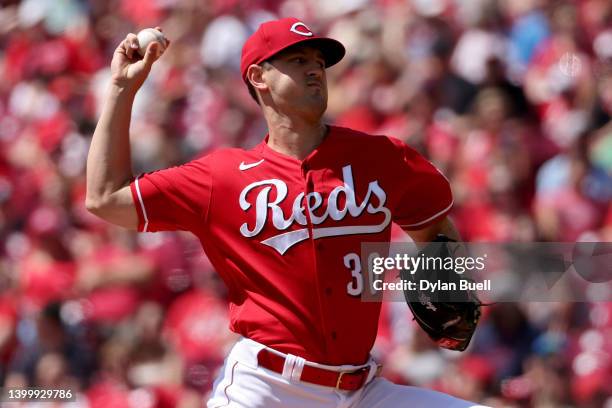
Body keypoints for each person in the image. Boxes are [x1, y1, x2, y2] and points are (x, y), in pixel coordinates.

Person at [86, 17, 489, 408]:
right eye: (298, 61)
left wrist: (448, 278)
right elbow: (105, 197)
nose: (315, 69)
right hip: (267, 389)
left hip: (363, 390)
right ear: (258, 77)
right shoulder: (221, 178)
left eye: (318, 61)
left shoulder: (382, 158)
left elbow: (435, 227)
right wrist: (122, 88)